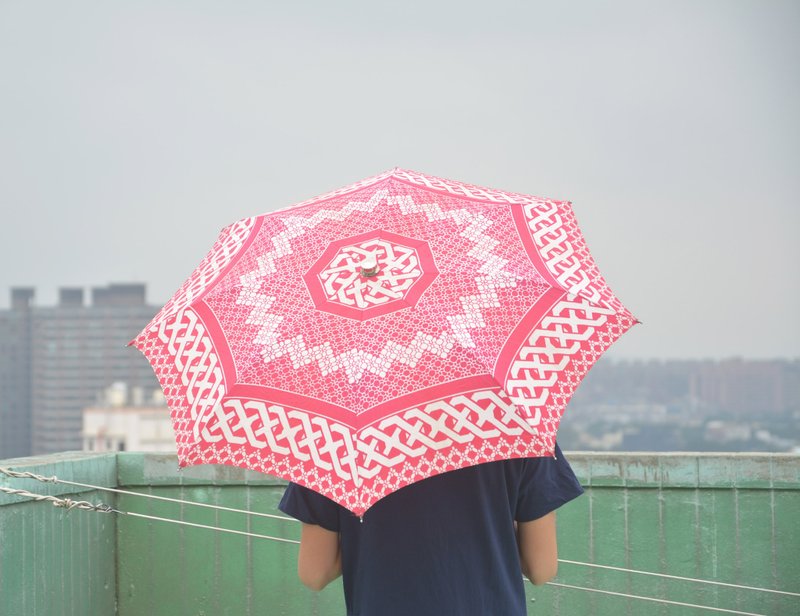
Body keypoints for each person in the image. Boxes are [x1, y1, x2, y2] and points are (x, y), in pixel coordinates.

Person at [278, 443, 584, 616]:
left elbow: (314, 573)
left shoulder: (331, 438)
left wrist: (379, 537)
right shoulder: (514, 423)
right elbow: (541, 568)